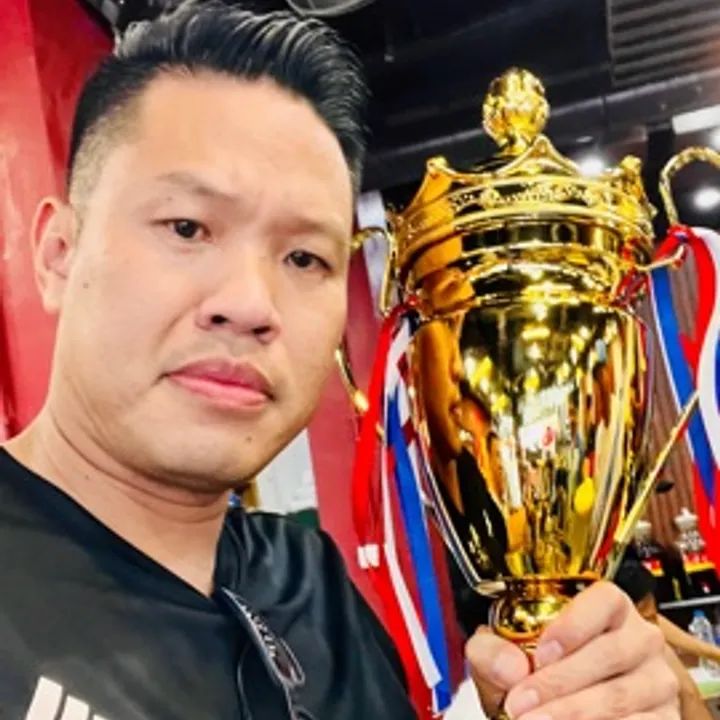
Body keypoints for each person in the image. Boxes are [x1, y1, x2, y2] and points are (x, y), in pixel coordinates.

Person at [0, 1, 679, 719]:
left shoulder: (308, 584)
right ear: (58, 255)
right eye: (187, 227)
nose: (251, 303)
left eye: (304, 257)